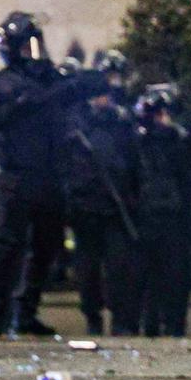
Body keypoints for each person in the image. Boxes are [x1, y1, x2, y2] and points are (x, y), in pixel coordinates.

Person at [0, 12, 108, 336]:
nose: (32, 52)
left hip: (49, 175)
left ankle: (26, 311)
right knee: (9, 245)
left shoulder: (50, 79)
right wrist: (19, 106)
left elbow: (94, 83)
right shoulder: (1, 84)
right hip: (16, 175)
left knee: (47, 245)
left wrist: (66, 87)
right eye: (25, 46)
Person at [63, 71, 140, 336]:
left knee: (120, 266)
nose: (104, 100)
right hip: (85, 208)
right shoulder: (74, 125)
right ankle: (93, 318)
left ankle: (121, 320)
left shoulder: (120, 122)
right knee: (88, 270)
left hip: (115, 208)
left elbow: (133, 163)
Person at [132, 87, 191, 337]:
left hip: (171, 220)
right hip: (151, 220)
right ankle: (155, 324)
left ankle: (171, 325)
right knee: (154, 277)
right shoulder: (141, 145)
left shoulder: (178, 143)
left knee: (174, 277)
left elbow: (187, 183)